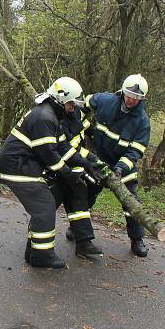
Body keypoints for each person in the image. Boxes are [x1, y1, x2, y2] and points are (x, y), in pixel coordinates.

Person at [0, 77, 104, 267]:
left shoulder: (51, 115)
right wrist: (68, 173)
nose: (72, 109)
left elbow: (61, 146)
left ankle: (35, 253)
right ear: (61, 100)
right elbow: (48, 154)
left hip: (24, 166)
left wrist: (86, 163)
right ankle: (41, 256)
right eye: (71, 104)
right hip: (17, 168)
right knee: (44, 206)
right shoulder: (44, 117)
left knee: (44, 207)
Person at [83, 74, 151, 257]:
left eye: (136, 98)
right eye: (129, 95)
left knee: (131, 203)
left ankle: (137, 239)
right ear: (122, 91)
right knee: (86, 195)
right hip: (99, 160)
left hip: (124, 167)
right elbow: (86, 102)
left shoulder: (142, 122)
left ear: (141, 99)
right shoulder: (106, 101)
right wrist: (81, 124)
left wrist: (120, 168)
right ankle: (79, 231)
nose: (131, 100)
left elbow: (135, 152)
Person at [51, 100, 110, 258]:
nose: (73, 107)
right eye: (70, 104)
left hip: (74, 165)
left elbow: (87, 129)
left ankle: (83, 242)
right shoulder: (56, 117)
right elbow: (66, 147)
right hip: (58, 167)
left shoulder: (76, 112)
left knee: (79, 198)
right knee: (48, 206)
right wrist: (91, 159)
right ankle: (36, 245)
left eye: (74, 104)